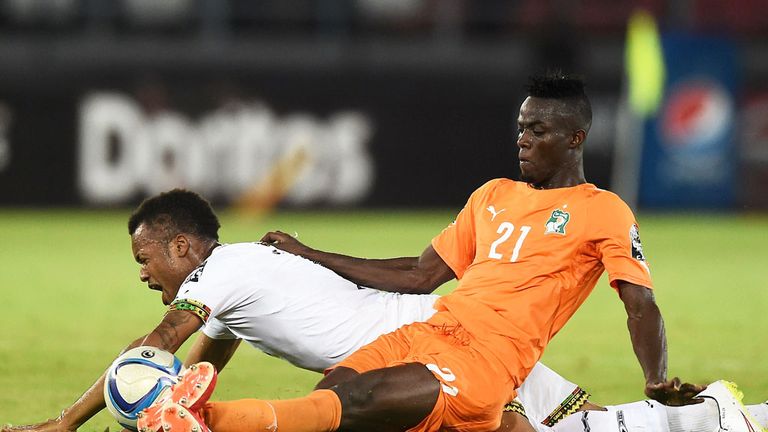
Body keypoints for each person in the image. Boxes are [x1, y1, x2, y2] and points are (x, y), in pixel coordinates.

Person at [129, 71, 719, 432]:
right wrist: (311, 253)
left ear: (576, 138)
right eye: (520, 126)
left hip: (489, 358)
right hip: (431, 327)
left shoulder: (604, 210)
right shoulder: (493, 195)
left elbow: (639, 303)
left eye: (537, 130)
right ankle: (703, 421)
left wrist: (655, 376)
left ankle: (195, 421)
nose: (522, 138)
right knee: (335, 398)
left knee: (355, 404)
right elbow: (418, 274)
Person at [2, 188, 763, 432]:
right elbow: (181, 369)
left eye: (143, 259)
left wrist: (65, 424)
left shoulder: (225, 269)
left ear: (178, 248)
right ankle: (716, 417)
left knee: (572, 425)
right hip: (418, 350)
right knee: (557, 425)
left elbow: (157, 346)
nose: (142, 275)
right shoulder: (229, 297)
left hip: (439, 343)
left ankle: (720, 415)